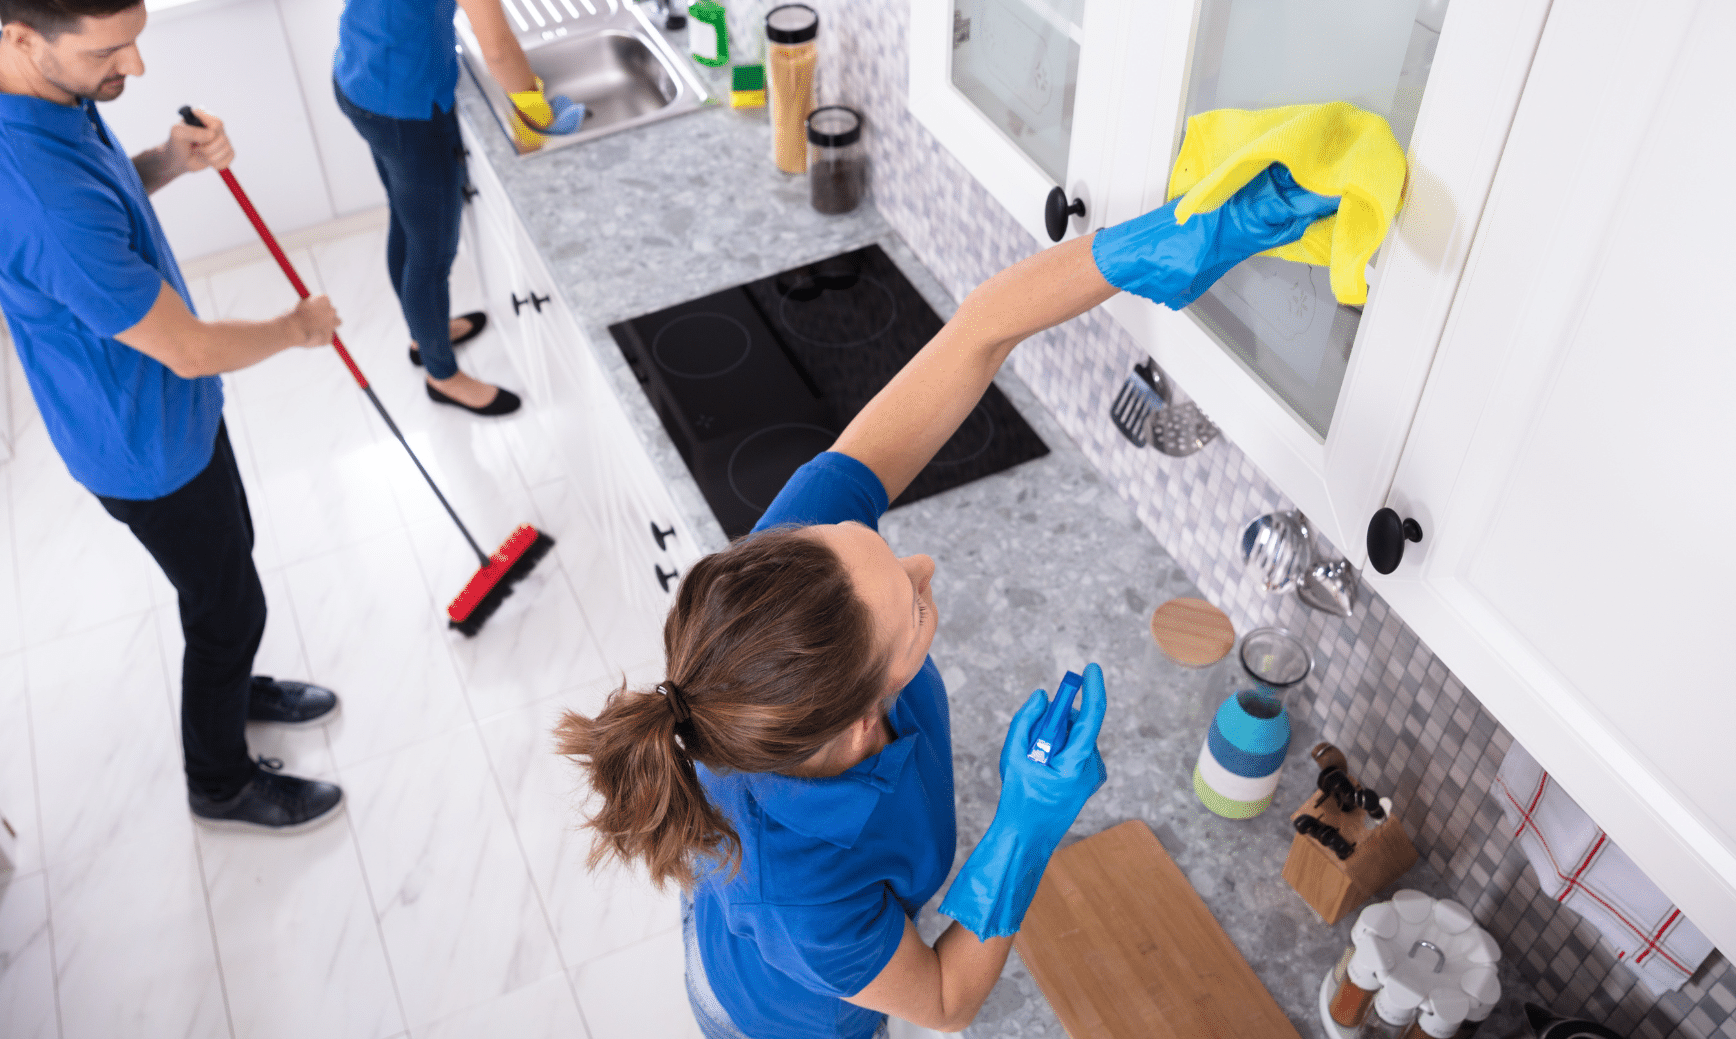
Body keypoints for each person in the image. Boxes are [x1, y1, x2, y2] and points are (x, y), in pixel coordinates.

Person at [556, 166, 1342, 1036]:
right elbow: (941, 999)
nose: (922, 564)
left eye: (889, 556)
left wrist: (1145, 249)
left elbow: (978, 333)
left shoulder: (793, 579)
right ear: (862, 722)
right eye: (913, 610)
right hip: (779, 1016)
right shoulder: (802, 890)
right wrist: (1028, 821)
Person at [0, 0, 346, 833]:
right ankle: (220, 783)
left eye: (134, 42)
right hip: (143, 441)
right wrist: (296, 326)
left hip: (157, 411)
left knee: (227, 575)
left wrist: (167, 158)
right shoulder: (42, 200)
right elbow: (190, 346)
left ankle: (238, 681)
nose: (133, 69)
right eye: (109, 54)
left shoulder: (7, 82)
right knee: (225, 608)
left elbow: (104, 203)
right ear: (26, 34)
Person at [315, 0, 585, 417]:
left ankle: (420, 329)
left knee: (407, 223)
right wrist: (536, 111)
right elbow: (495, 43)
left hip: (357, 77)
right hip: (410, 103)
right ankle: (441, 372)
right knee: (432, 248)